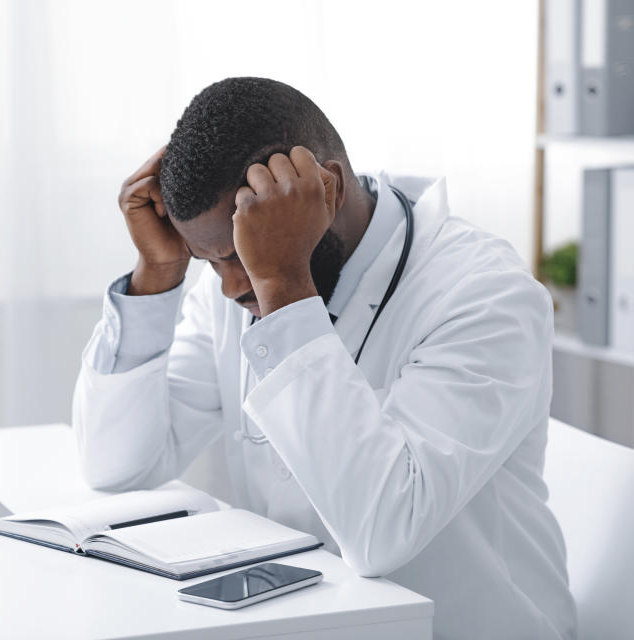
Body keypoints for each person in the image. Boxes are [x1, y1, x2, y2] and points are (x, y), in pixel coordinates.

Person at [72, 77, 576, 639]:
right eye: (207, 261)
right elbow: (116, 465)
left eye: (237, 254)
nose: (228, 286)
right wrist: (157, 277)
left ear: (325, 189)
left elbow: (384, 529)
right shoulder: (236, 287)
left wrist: (283, 284)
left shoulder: (484, 296)